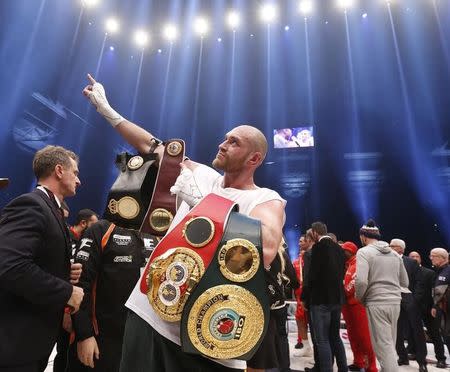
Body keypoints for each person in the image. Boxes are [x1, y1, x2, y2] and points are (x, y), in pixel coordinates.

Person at [82, 74, 286, 372]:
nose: (223, 144)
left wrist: (209, 206)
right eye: (225, 138)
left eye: (234, 142)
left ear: (254, 158)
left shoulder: (266, 198)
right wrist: (105, 108)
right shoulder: (200, 175)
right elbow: (151, 145)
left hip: (208, 337)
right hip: (149, 312)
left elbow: (265, 247)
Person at [0, 145, 84, 372]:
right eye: (75, 173)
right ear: (59, 170)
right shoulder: (31, 204)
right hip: (15, 346)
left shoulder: (50, 209)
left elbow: (34, 259)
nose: (78, 180)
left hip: (32, 342)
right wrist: (67, 292)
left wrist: (64, 271)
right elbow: (10, 266)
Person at [355, 220, 409, 372]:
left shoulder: (364, 252)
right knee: (389, 344)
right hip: (395, 302)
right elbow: (405, 281)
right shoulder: (395, 254)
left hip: (376, 302)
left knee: (383, 347)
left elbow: (360, 281)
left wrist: (360, 297)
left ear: (363, 237)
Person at [54, 208, 98, 372]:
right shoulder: (67, 239)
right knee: (63, 351)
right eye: (94, 224)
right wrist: (67, 311)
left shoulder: (84, 241)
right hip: (62, 305)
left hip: (72, 306)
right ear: (84, 223)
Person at [301, 221, 347, 372]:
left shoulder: (318, 248)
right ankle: (343, 368)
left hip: (320, 300)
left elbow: (311, 277)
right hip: (337, 299)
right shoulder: (339, 249)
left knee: (322, 340)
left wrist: (305, 298)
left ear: (314, 232)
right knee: (335, 337)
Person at [389, 238, 428, 370]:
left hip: (410, 298)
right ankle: (402, 356)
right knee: (396, 330)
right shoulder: (387, 260)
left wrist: (415, 299)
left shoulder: (411, 262)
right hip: (393, 299)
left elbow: (419, 282)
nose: (389, 247)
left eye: (392, 246)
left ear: (400, 248)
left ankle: (422, 361)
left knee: (417, 331)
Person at [341, 241, 377, 372]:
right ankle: (358, 361)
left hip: (358, 305)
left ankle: (371, 366)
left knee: (364, 336)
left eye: (343, 250)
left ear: (349, 251)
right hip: (347, 305)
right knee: (353, 334)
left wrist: (342, 291)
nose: (341, 253)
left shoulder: (358, 264)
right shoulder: (346, 264)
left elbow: (352, 285)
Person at [408, 251, 447, 368]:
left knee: (434, 333)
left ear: (421, 258)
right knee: (413, 333)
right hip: (412, 308)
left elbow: (435, 291)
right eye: (412, 257)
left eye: (417, 256)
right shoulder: (405, 272)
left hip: (428, 308)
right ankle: (414, 353)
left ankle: (441, 359)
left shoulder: (429, 272)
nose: (415, 258)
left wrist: (434, 307)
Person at [293, 233, 313, 357]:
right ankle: (306, 346)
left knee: (314, 324)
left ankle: (318, 351)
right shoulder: (297, 260)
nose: (299, 244)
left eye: (302, 241)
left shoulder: (311, 257)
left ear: (308, 242)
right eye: (299, 241)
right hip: (300, 296)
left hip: (311, 296)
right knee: (299, 319)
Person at [430, 248, 450, 356]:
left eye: (433, 256)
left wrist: (435, 305)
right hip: (442, 309)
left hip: (446, 311)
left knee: (447, 336)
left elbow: (439, 292)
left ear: (442, 258)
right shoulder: (440, 271)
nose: (431, 258)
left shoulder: (447, 271)